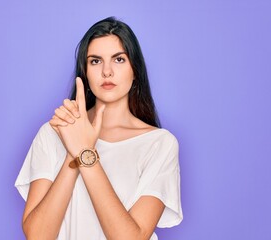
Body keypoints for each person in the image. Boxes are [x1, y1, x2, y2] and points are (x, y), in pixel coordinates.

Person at [15, 16, 183, 240]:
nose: (107, 71)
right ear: (85, 72)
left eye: (119, 60)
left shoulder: (159, 144)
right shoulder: (53, 132)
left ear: (135, 71)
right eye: (95, 61)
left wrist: (85, 151)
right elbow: (37, 236)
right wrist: (72, 154)